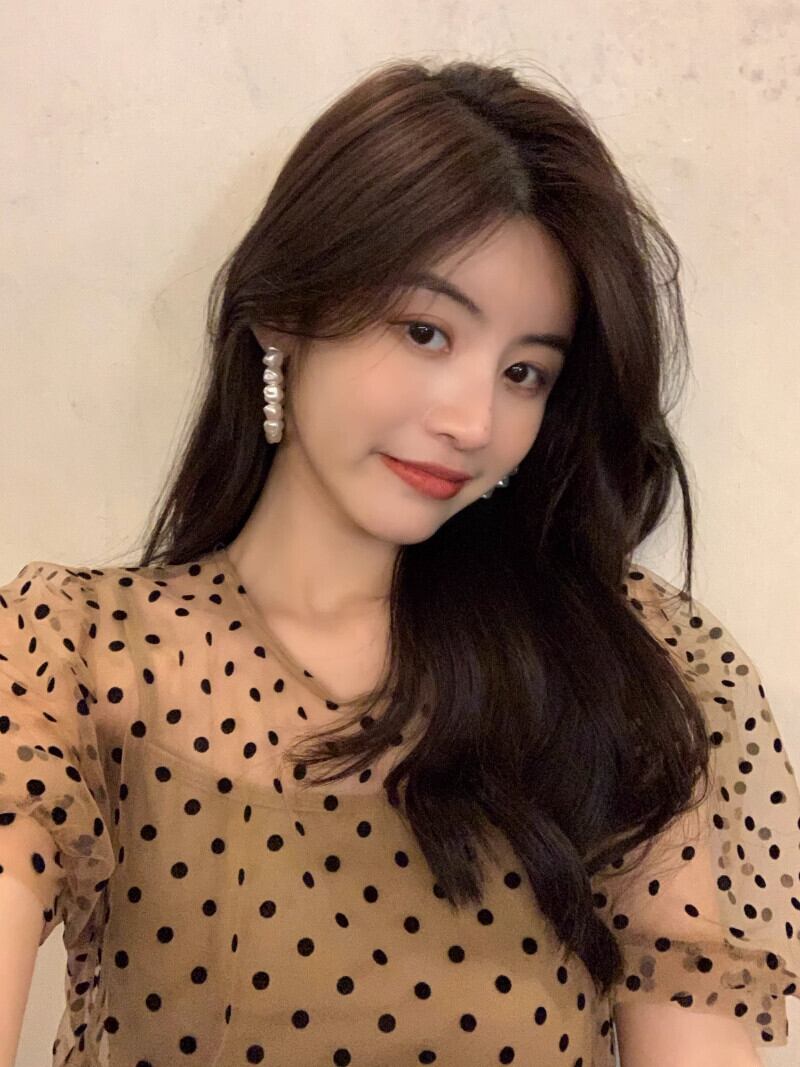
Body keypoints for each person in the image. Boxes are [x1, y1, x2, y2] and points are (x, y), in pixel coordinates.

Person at [1, 58, 797, 1067]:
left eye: (524, 372)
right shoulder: (73, 657)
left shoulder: (617, 669)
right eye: (425, 331)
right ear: (285, 311)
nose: (473, 420)